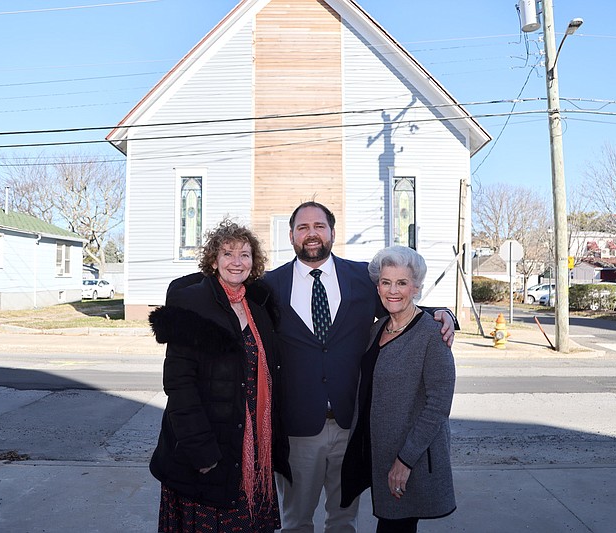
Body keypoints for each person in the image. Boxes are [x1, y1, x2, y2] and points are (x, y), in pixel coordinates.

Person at [263, 201, 456, 533]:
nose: (312, 234)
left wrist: (443, 313)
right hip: (297, 430)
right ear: (291, 235)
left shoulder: (362, 278)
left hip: (350, 429)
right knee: (295, 521)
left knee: (343, 521)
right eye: (303, 227)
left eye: (319, 226)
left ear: (332, 233)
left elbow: (399, 298)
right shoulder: (269, 286)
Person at [148, 219, 292, 533]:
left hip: (252, 449)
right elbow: (179, 384)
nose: (237, 261)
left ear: (254, 262)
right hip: (209, 450)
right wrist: (201, 451)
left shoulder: (259, 307)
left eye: (245, 254)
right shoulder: (192, 303)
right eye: (228, 253)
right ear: (214, 260)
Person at [341, 245, 457, 533]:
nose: (393, 290)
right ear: (378, 287)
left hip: (410, 459)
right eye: (386, 282)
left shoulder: (432, 333)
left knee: (395, 527)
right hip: (380, 454)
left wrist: (404, 461)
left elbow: (438, 405)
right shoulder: (378, 328)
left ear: (416, 287)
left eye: (402, 283)